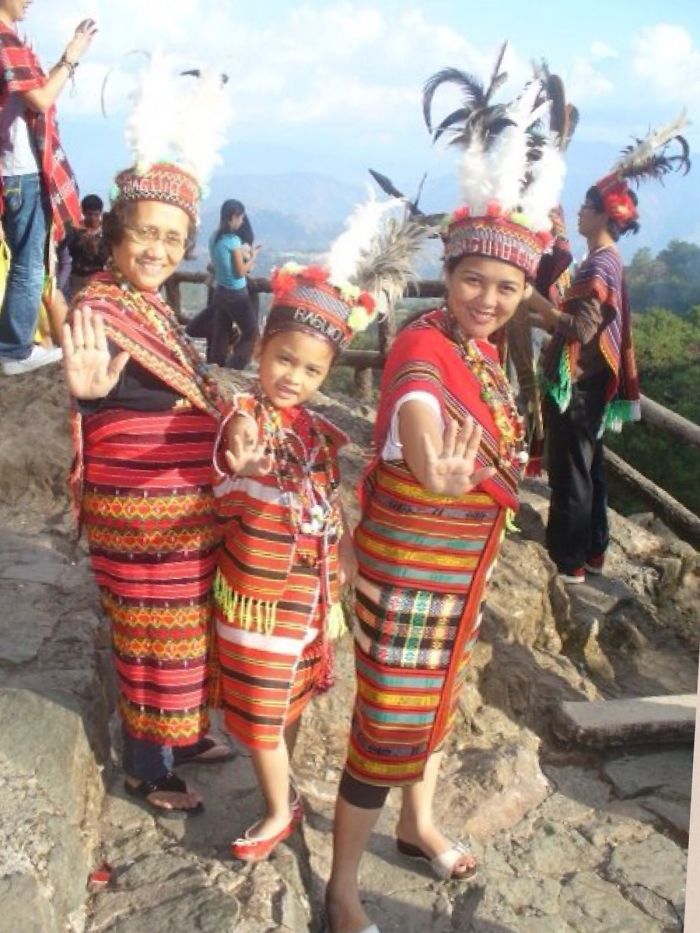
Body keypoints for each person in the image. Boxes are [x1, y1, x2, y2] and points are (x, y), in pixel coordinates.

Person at [325, 58, 568, 933]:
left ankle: (418, 821)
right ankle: (342, 885)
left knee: (432, 704)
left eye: (507, 289)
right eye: (474, 280)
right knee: (386, 724)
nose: (488, 300)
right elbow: (422, 426)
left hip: (455, 579)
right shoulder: (424, 351)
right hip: (406, 579)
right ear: (449, 268)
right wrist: (436, 473)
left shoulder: (487, 352)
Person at [62, 62, 234, 815]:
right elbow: (88, 389)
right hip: (138, 509)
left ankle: (185, 732)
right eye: (146, 236)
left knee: (188, 622)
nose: (158, 249)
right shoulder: (98, 304)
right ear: (118, 238)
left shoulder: (154, 305)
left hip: (184, 507)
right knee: (150, 633)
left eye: (172, 238)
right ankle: (146, 764)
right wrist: (88, 396)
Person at [213, 263, 375, 862]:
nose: (294, 377)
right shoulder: (244, 415)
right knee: (260, 708)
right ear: (260, 349)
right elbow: (231, 461)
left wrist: (347, 553)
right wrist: (241, 464)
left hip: (309, 591)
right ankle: (280, 810)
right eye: (284, 360)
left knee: (291, 697)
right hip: (257, 593)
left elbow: (328, 500)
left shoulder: (312, 430)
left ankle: (284, 793)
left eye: (312, 369)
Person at [527, 118, 690, 584]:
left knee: (572, 472)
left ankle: (568, 559)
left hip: (580, 387)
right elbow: (580, 321)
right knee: (591, 467)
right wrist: (539, 313)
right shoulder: (608, 262)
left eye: (584, 206)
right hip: (594, 383)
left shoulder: (598, 265)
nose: (578, 213)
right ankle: (594, 550)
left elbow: (577, 326)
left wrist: (532, 300)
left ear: (602, 215)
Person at [0, 4, 96, 375]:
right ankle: (14, 350)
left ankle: (13, 345)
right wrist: (70, 60)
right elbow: (39, 98)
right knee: (28, 264)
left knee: (26, 262)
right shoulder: (5, 39)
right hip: (22, 169)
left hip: (12, 172)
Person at [206, 198, 260, 368]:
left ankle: (216, 367)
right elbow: (240, 271)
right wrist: (253, 256)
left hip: (220, 290)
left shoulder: (215, 237)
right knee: (251, 333)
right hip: (236, 293)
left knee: (221, 332)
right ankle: (234, 367)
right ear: (235, 216)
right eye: (241, 218)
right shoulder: (233, 241)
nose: (242, 221)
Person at [63, 193, 109, 298]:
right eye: (89, 215)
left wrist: (95, 246)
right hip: (78, 279)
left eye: (96, 215)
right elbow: (68, 254)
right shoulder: (75, 230)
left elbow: (107, 259)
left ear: (100, 213)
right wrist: (80, 242)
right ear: (83, 213)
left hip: (99, 278)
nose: (93, 219)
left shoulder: (106, 232)